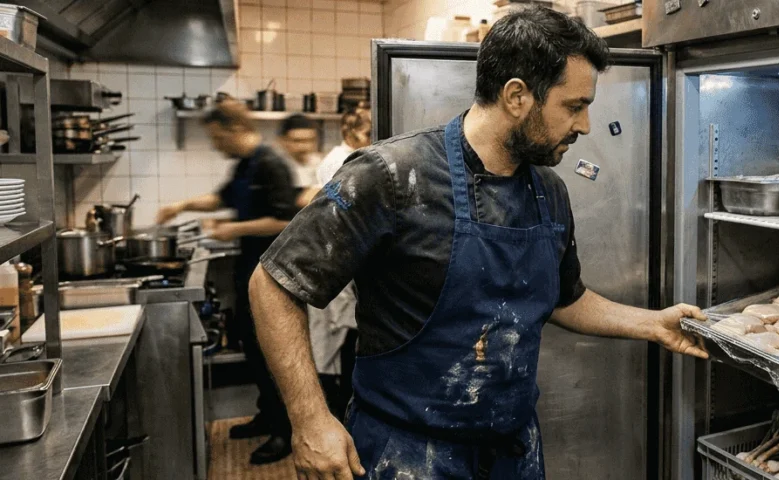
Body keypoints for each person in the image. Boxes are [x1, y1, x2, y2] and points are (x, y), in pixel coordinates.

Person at [248, 8, 708, 479]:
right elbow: (273, 283)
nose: (586, 125)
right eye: (574, 106)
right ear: (516, 96)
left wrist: (653, 324)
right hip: (406, 454)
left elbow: (565, 300)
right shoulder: (390, 176)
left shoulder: (548, 192)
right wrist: (309, 419)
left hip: (512, 452)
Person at [156, 101, 299, 466]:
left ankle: (286, 431)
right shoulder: (244, 165)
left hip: (273, 275)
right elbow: (220, 198)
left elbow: (285, 221)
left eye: (218, 138)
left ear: (235, 129)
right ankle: (267, 414)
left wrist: (232, 229)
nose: (216, 146)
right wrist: (181, 205)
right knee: (253, 347)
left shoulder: (271, 164)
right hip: (248, 270)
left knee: (274, 354)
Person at [303, 107, 372, 420]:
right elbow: (344, 216)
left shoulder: (347, 156)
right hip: (339, 270)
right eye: (369, 134)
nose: (374, 140)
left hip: (342, 269)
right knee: (338, 346)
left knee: (340, 343)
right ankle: (338, 420)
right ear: (351, 133)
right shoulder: (340, 161)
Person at [278, 113, 321, 191]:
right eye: (297, 141)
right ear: (282, 141)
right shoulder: (274, 168)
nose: (304, 147)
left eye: (310, 140)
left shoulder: (321, 164)